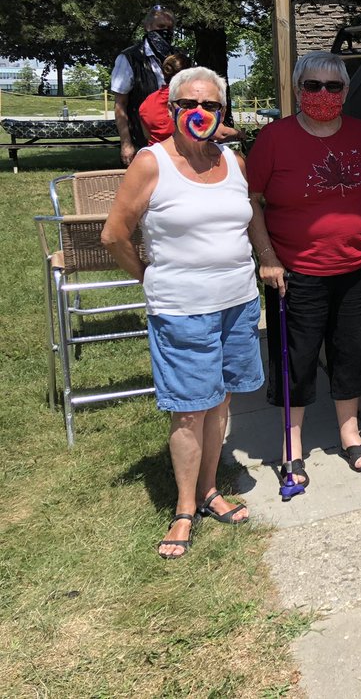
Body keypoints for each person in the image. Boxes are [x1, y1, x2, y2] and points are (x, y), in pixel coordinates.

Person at [101, 66, 265, 557]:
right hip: (182, 310)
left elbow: (248, 219)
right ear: (172, 109)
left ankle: (210, 489)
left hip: (238, 303)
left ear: (222, 111)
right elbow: (114, 235)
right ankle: (185, 507)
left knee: (221, 401)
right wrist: (149, 277)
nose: (199, 112)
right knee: (190, 409)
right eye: (189, 104)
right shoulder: (151, 163)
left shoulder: (233, 161)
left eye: (210, 105)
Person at [247, 52, 361, 485]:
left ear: (345, 91)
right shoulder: (274, 138)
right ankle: (292, 444)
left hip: (357, 266)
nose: (323, 94)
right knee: (297, 356)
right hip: (295, 271)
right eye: (313, 85)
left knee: (351, 350)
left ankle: (350, 432)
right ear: (297, 89)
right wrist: (267, 257)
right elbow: (251, 200)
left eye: (333, 86)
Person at [112, 5, 176, 166]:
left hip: (176, 141)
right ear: (148, 27)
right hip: (143, 140)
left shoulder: (178, 57)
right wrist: (126, 143)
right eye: (160, 26)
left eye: (170, 28)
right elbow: (120, 104)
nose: (165, 31)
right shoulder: (129, 58)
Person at [139, 54, 192, 144]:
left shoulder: (147, 102)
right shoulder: (191, 101)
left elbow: (147, 135)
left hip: (155, 151)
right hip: (183, 151)